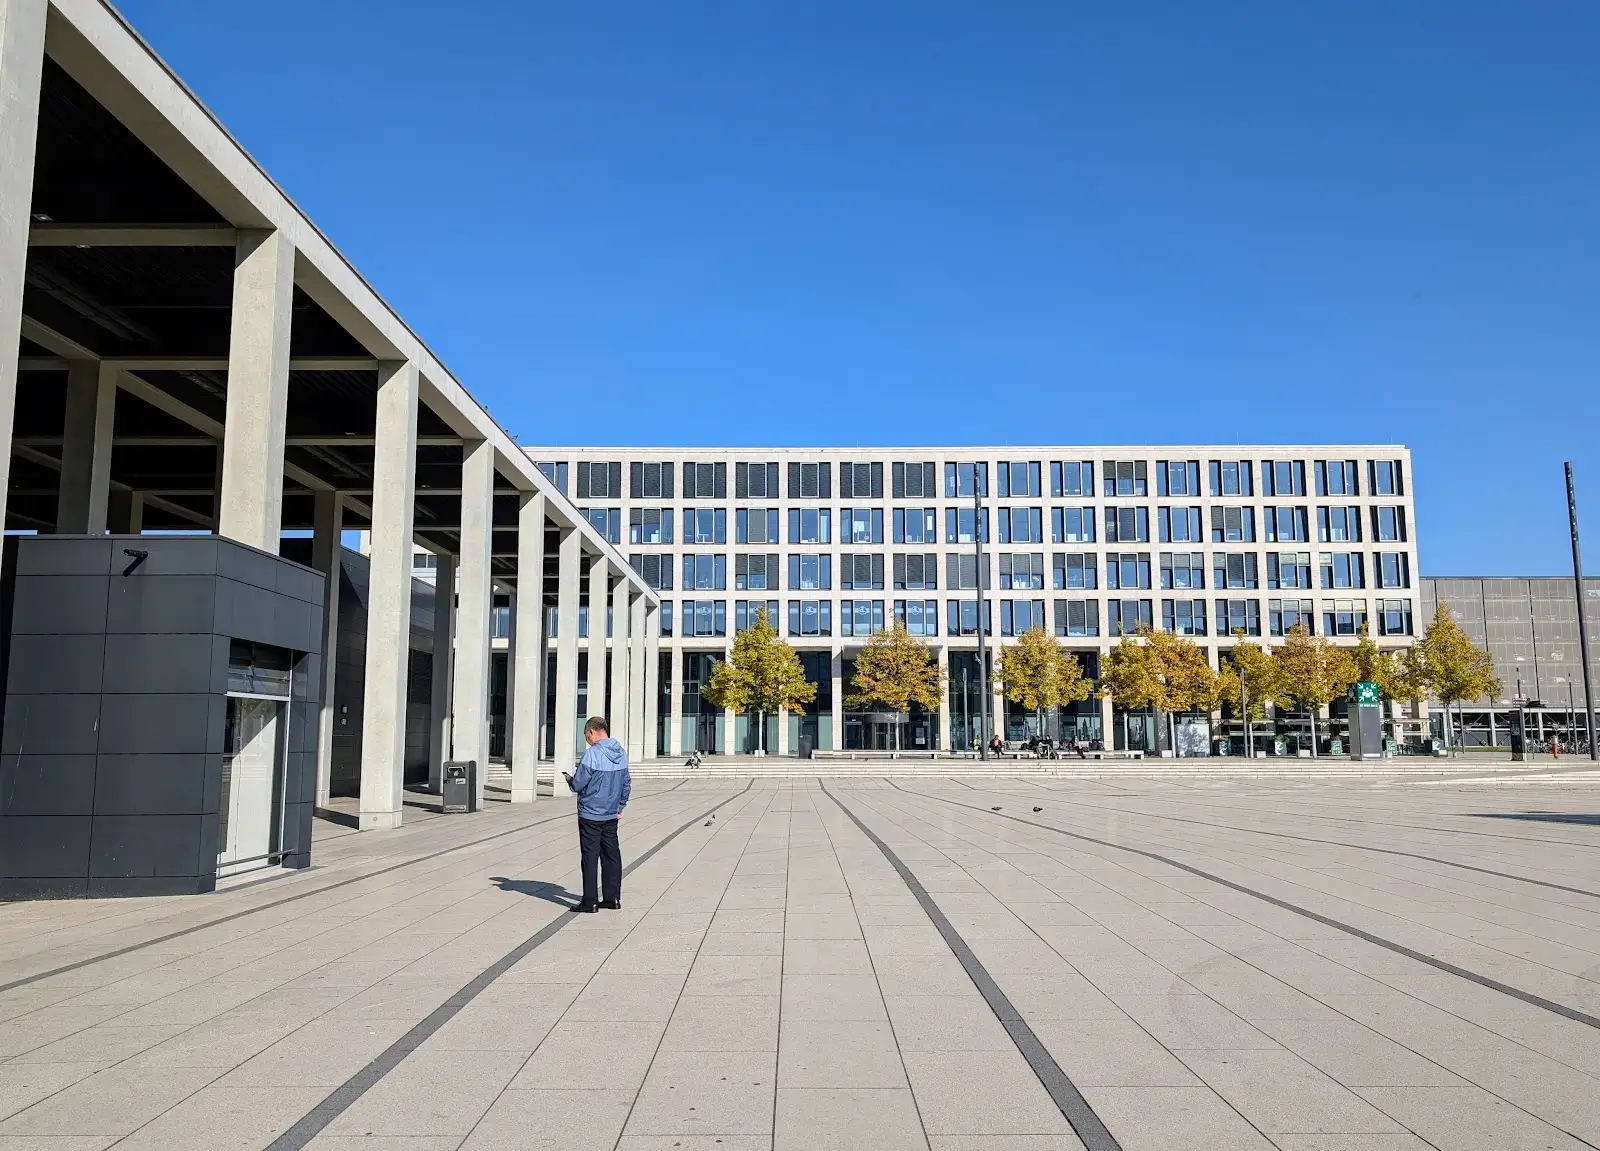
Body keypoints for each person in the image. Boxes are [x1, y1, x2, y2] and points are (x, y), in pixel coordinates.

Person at [566, 716, 631, 913]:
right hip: (611, 813)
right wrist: (619, 806)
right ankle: (612, 898)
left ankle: (590, 901)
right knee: (612, 855)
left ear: (592, 732)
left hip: (590, 814)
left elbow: (578, 784)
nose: (587, 739)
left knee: (590, 856)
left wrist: (570, 779)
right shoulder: (621, 753)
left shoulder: (591, 754)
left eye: (586, 735)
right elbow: (626, 784)